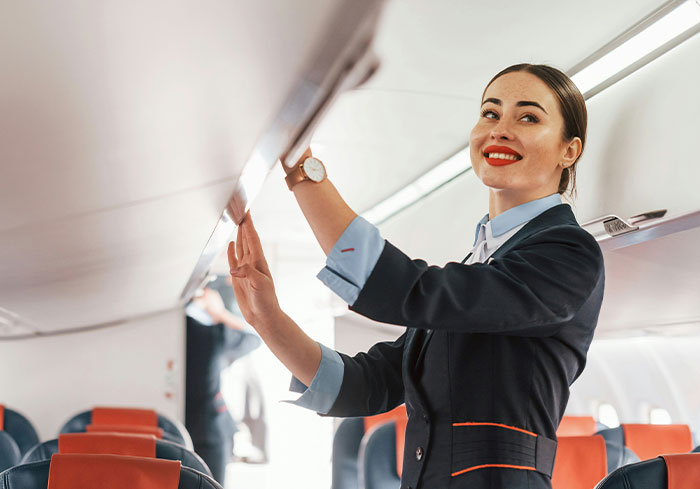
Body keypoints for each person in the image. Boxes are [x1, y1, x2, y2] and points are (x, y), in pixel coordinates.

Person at [226, 64, 605, 489]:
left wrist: (302, 170)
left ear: (569, 151)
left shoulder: (569, 253)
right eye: (490, 113)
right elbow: (369, 383)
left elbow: (413, 289)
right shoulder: (482, 262)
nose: (500, 129)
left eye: (528, 117)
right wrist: (267, 320)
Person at [185, 276, 262, 485]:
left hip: (178, 428)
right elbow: (254, 337)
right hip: (209, 432)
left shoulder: (164, 332)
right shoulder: (210, 334)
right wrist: (218, 313)